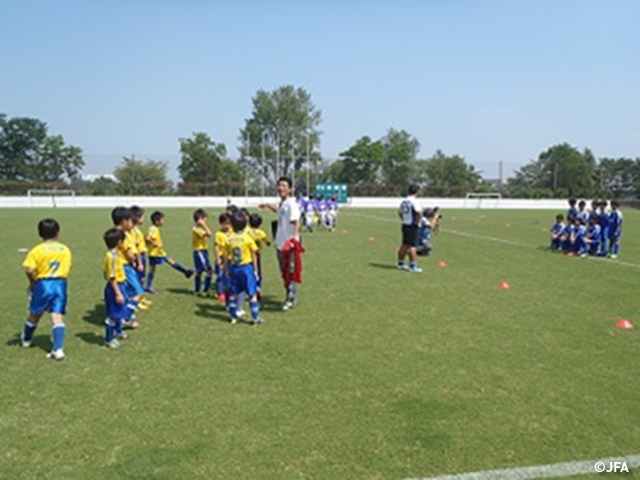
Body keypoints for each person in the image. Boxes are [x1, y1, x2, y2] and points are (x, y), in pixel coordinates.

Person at [20, 218, 72, 360]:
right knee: (57, 316)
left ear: (40, 233)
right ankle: (58, 349)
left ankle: (26, 340)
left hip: (43, 284)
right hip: (60, 284)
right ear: (58, 232)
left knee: (35, 314)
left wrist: (32, 282)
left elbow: (30, 270)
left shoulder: (36, 250)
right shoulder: (65, 249)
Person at [259, 176, 302, 310]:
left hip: (289, 245)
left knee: (290, 271)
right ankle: (288, 296)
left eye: (284, 186)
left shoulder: (291, 204)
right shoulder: (283, 203)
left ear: (290, 189)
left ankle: (291, 299)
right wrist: (266, 205)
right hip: (280, 244)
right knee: (284, 272)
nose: (280, 188)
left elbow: (297, 221)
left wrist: (294, 238)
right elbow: (277, 209)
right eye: (279, 185)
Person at [221, 211, 263, 325]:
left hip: (234, 268)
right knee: (252, 294)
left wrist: (225, 269)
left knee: (233, 293)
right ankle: (255, 318)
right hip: (246, 268)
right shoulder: (247, 238)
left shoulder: (228, 239)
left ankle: (233, 317)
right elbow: (254, 253)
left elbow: (225, 256)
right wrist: (255, 270)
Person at [111, 206, 145, 328]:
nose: (132, 223)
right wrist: (134, 262)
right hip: (125, 266)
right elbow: (129, 253)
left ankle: (122, 316)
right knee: (139, 292)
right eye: (130, 220)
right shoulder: (123, 235)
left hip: (118, 267)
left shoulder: (114, 233)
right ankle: (125, 318)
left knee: (126, 293)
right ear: (124, 221)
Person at [145, 211, 194, 293]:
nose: (163, 222)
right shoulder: (153, 229)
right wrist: (156, 244)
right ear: (157, 221)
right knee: (159, 266)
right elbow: (148, 238)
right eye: (162, 220)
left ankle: (186, 272)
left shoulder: (153, 228)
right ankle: (148, 286)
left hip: (157, 252)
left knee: (168, 262)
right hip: (155, 253)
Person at [102, 228, 128, 349]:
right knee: (113, 314)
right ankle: (109, 339)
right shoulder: (111, 257)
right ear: (119, 242)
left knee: (119, 312)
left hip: (120, 285)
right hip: (114, 287)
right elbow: (111, 276)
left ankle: (119, 331)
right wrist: (118, 293)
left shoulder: (115, 255)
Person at [397, 184, 422, 273]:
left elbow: (399, 212)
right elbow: (418, 212)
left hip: (405, 224)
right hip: (412, 225)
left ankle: (400, 263)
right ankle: (413, 266)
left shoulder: (404, 201)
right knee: (412, 246)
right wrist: (417, 222)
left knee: (404, 244)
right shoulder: (414, 201)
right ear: (417, 192)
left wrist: (404, 219)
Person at [248, 213, 271, 295]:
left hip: (246, 254)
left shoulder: (246, 231)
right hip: (256, 254)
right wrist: (268, 242)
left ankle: (248, 288)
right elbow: (267, 242)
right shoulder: (261, 233)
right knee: (257, 271)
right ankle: (257, 288)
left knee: (248, 271)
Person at [192, 208, 213, 295]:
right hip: (199, 252)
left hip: (203, 251)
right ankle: (205, 290)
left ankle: (198, 290)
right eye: (204, 218)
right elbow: (209, 234)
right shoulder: (196, 229)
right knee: (208, 270)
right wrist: (204, 225)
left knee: (199, 271)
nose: (205, 220)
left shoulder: (199, 228)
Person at [214, 213, 232, 302]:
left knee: (229, 276)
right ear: (221, 223)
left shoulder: (232, 232)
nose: (228, 226)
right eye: (226, 223)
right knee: (220, 275)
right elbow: (216, 246)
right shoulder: (219, 234)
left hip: (230, 258)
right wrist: (217, 259)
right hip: (221, 257)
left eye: (229, 223)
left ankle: (229, 292)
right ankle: (220, 293)